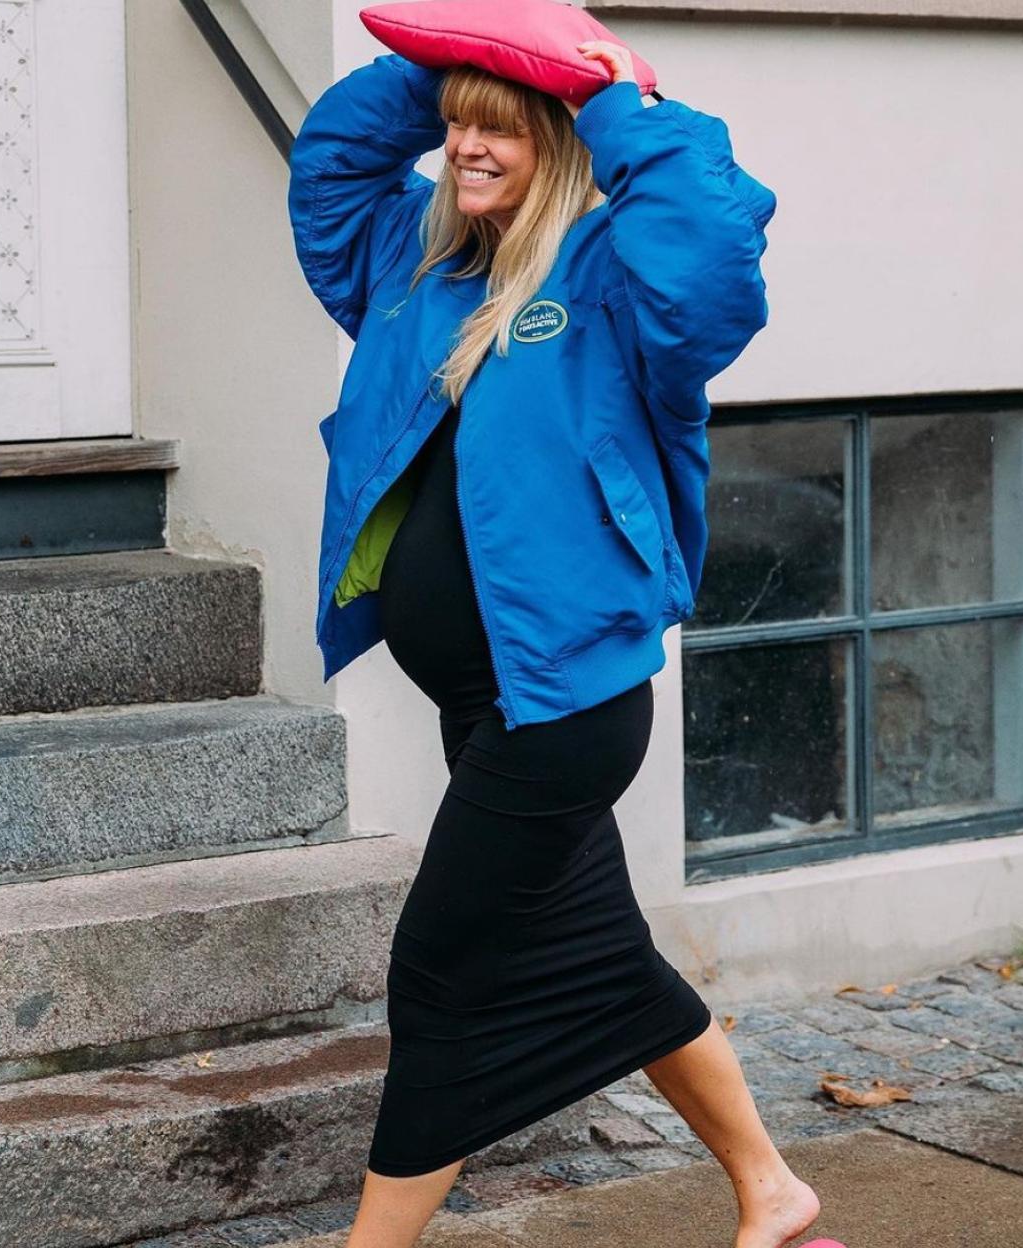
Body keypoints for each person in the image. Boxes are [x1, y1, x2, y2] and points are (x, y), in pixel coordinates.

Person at [288, 36, 821, 1248]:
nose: (469, 146)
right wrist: (451, 66)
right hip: (488, 707)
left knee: (439, 975)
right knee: (603, 958)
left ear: (566, 144)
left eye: (504, 127)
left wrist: (602, 93)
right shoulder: (416, 265)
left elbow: (709, 245)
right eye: (458, 123)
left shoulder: (621, 286)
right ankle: (772, 1191)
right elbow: (329, 169)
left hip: (566, 712)